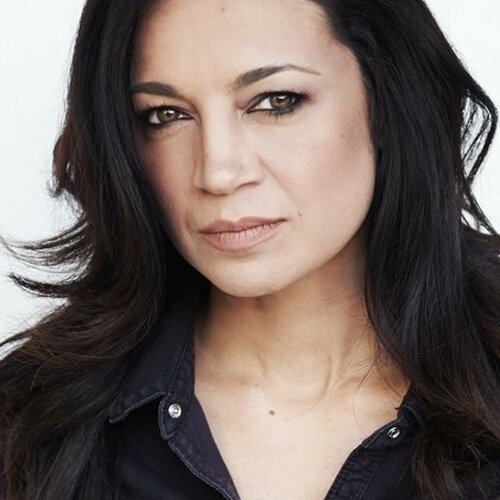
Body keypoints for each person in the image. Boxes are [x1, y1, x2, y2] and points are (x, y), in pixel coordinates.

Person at [0, 0, 499, 498]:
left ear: (388, 101)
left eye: (275, 101)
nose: (217, 172)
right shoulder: (31, 422)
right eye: (165, 115)